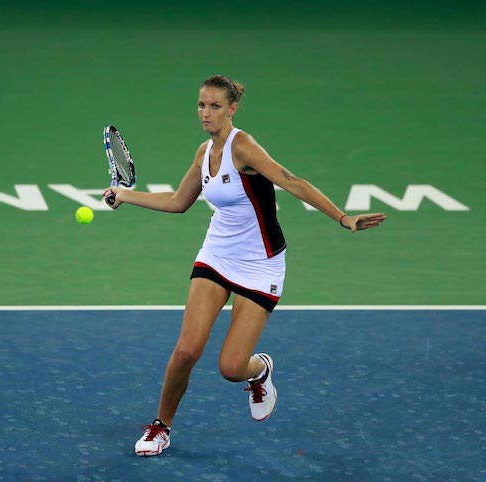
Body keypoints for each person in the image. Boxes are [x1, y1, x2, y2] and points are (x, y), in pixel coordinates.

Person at [103, 75, 386, 456]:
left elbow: (294, 182)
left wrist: (343, 218)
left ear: (232, 109)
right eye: (202, 105)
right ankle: (161, 426)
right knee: (186, 350)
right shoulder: (203, 152)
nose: (206, 113)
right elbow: (178, 201)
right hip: (217, 255)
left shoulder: (245, 147)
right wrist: (125, 195)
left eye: (215, 106)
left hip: (261, 264)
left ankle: (259, 370)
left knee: (231, 368)